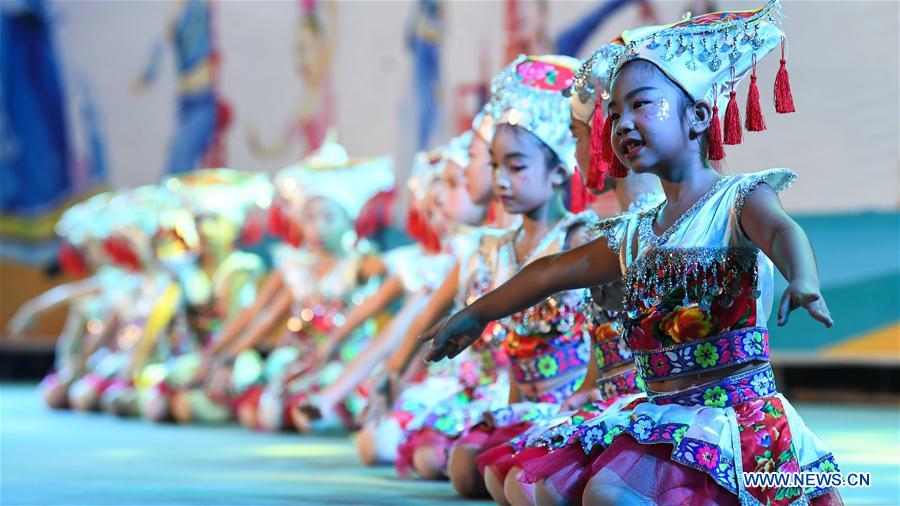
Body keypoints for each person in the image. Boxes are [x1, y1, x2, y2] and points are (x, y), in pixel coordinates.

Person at [421, 2, 842, 504]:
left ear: (698, 116)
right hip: (665, 411)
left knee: (608, 494)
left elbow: (782, 233)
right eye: (614, 114)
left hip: (735, 418)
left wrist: (804, 280)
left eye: (641, 105)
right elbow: (555, 271)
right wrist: (476, 314)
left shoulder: (739, 200)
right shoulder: (636, 234)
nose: (621, 125)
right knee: (547, 487)